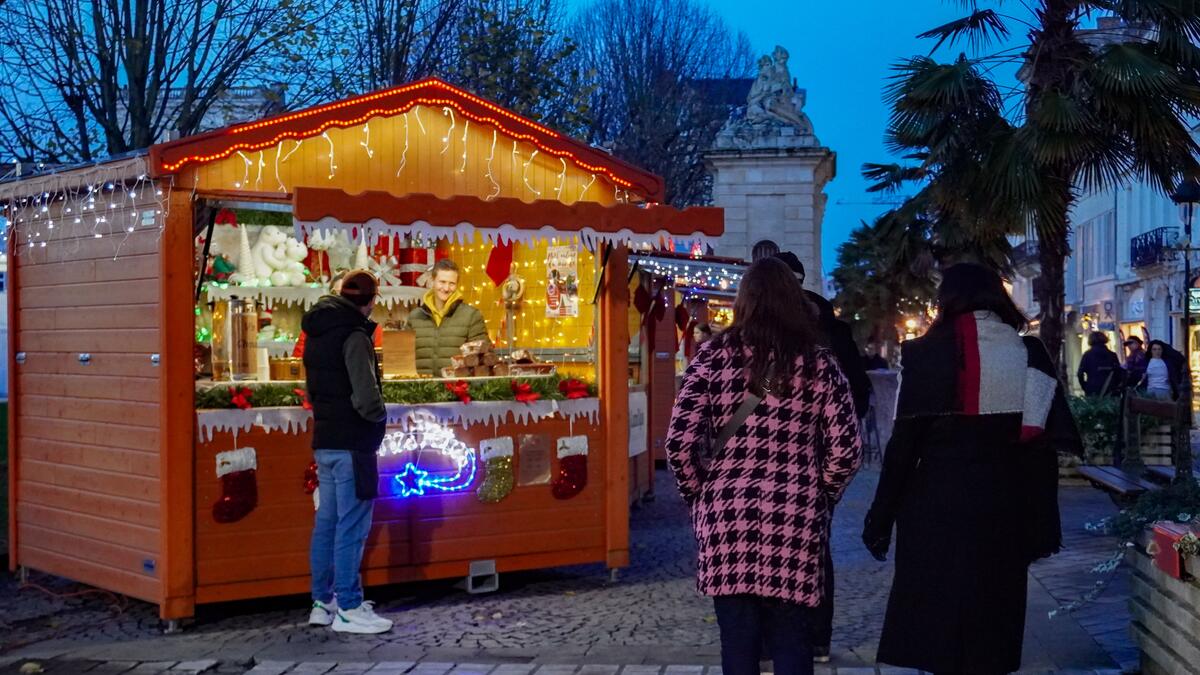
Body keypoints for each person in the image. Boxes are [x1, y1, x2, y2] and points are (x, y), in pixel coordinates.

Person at [861, 263, 1081, 674]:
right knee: (993, 622)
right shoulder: (1029, 353)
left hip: (936, 504)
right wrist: (1041, 524)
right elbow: (1043, 445)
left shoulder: (926, 354)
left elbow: (903, 448)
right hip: (1004, 503)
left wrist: (880, 518)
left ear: (949, 300)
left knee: (940, 624)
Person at [665, 257, 863, 675]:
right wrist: (820, 495)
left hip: (726, 517)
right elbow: (846, 450)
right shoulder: (819, 364)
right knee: (793, 641)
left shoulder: (711, 359)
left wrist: (700, 496)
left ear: (744, 303)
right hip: (795, 518)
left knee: (737, 644)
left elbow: (679, 444)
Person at [773, 250, 869, 663]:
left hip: (773, 460)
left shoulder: (761, 330)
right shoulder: (832, 330)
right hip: (816, 457)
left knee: (768, 549)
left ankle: (774, 643)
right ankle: (814, 639)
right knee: (814, 548)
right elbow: (859, 397)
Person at [302, 270, 392, 634]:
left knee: (327, 524)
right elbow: (366, 395)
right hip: (353, 442)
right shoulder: (354, 334)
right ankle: (350, 608)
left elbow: (310, 392)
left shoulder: (317, 331)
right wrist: (378, 418)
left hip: (325, 439)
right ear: (369, 301)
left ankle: (322, 603)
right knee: (351, 528)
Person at [408, 258, 489, 375]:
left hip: (457, 389)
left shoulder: (471, 316)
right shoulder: (414, 317)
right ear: (432, 281)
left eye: (451, 283)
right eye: (442, 282)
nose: (446, 288)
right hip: (421, 389)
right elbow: (403, 357)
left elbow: (482, 359)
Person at [1077, 331, 1122, 396]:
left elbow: (1080, 373)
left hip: (1092, 388)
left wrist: (1085, 386)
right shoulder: (1112, 355)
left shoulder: (1087, 355)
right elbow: (1118, 373)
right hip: (1110, 389)